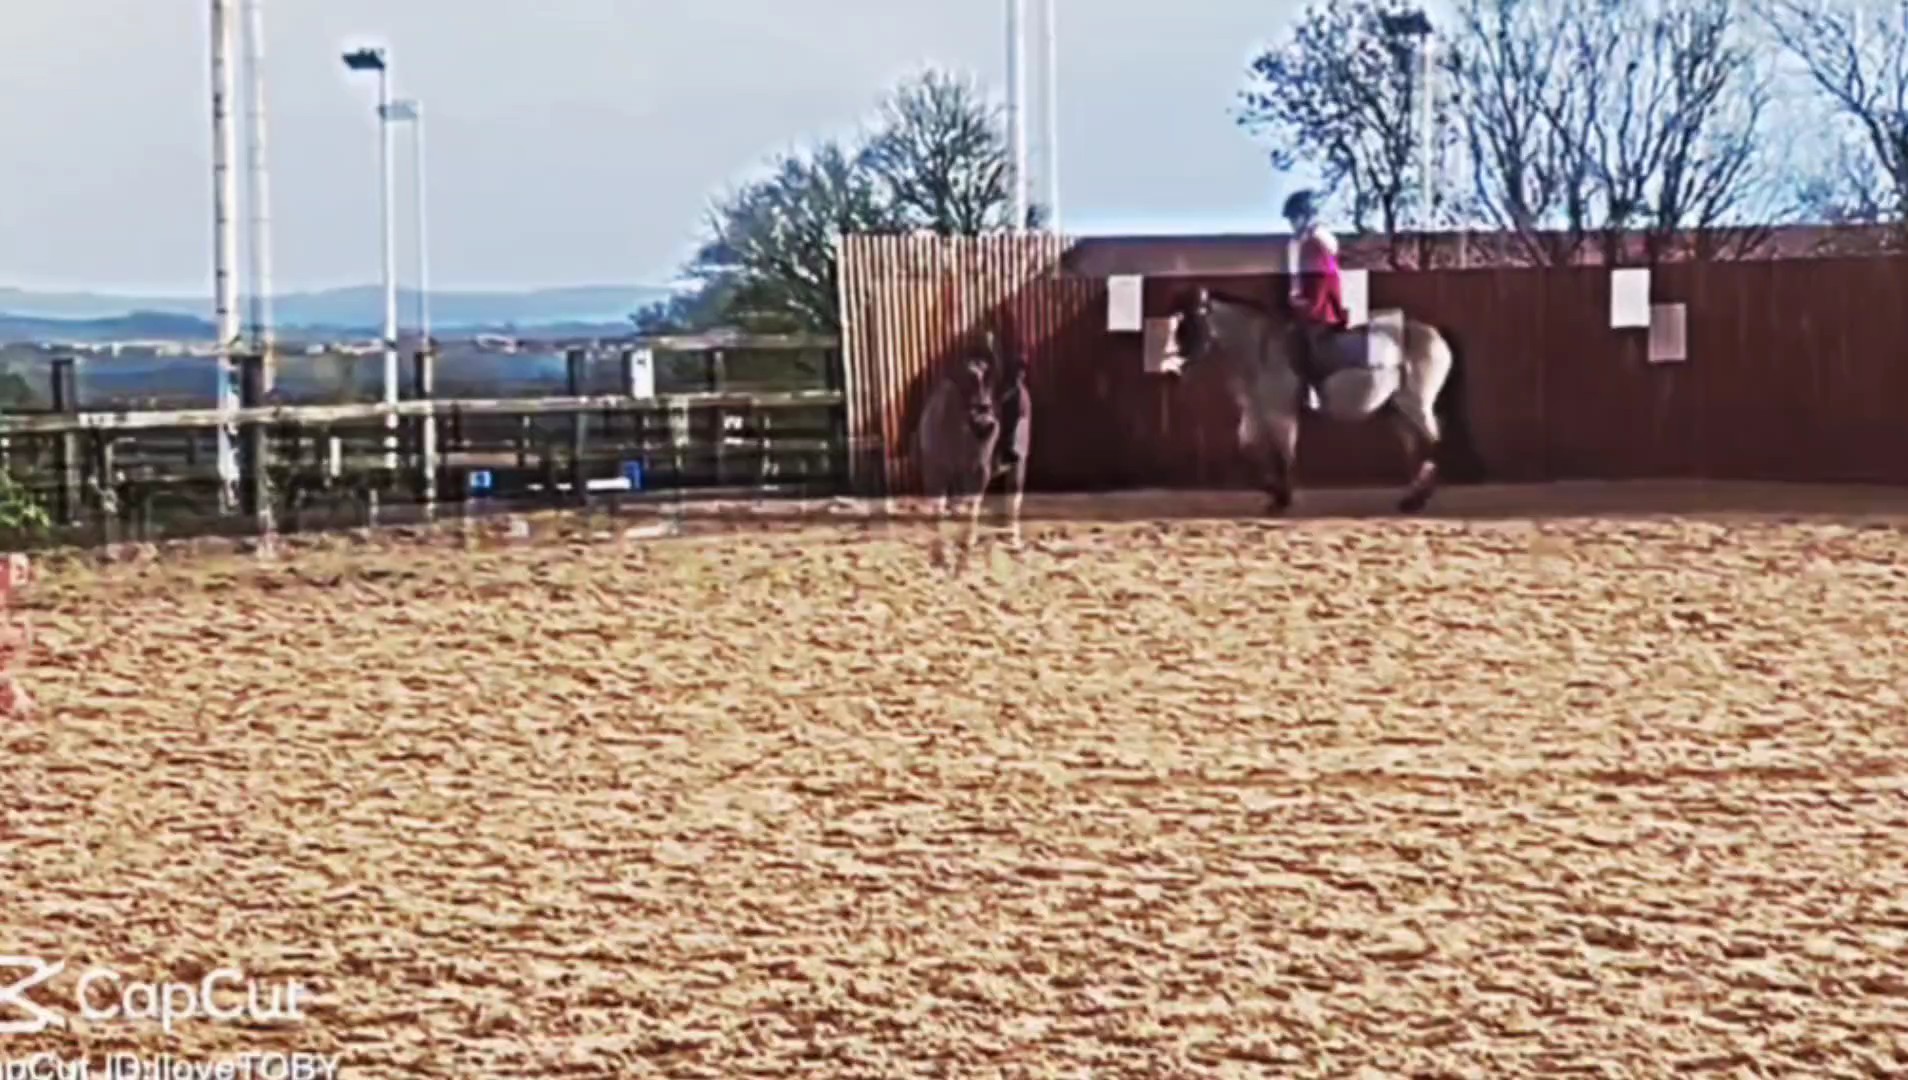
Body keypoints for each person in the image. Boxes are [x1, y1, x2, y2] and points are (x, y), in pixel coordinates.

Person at [1281, 190, 1349, 407]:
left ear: (1306, 216)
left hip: (1321, 309)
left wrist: (1307, 306)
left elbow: (1323, 281)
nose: (1292, 224)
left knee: (1310, 342)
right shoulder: (1300, 243)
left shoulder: (1316, 245)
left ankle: (1315, 390)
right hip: (1306, 305)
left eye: (1295, 218)